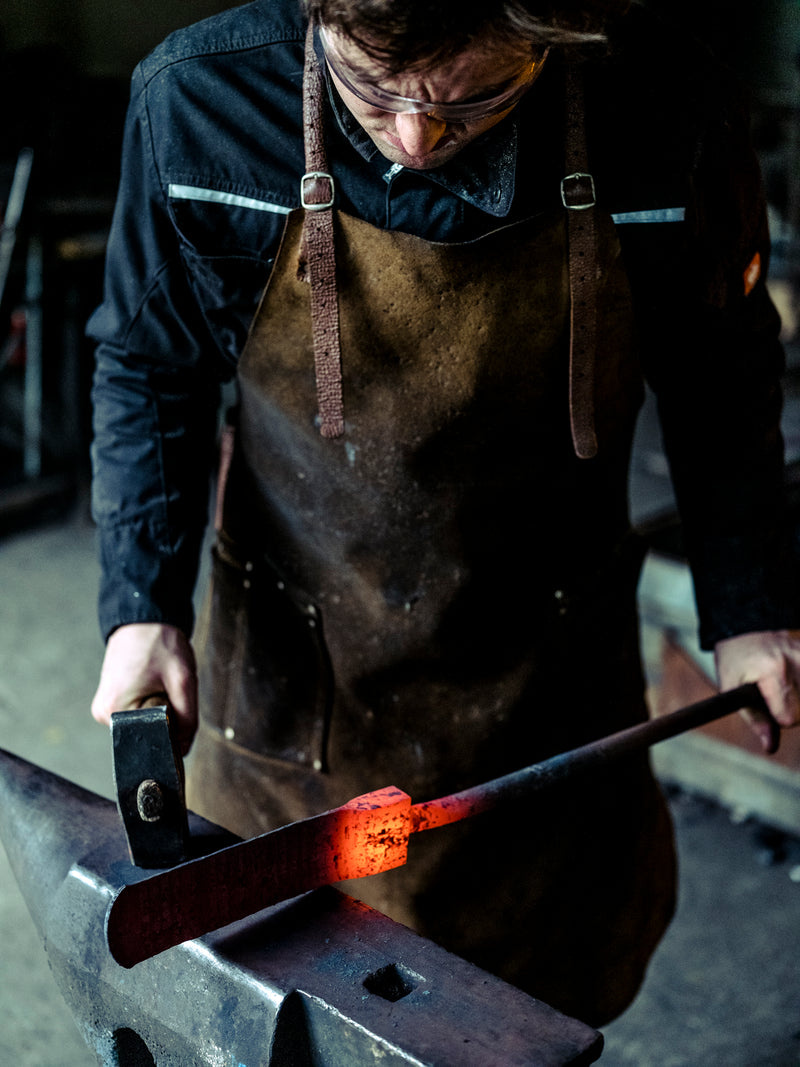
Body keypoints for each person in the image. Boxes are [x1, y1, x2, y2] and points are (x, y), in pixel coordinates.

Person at [88, 0, 800, 1026]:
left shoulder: (665, 105)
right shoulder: (202, 104)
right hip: (302, 678)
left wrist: (745, 603)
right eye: (371, 91)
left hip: (552, 681)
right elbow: (150, 366)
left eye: (477, 96)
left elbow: (718, 372)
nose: (416, 141)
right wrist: (139, 605)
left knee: (527, 1013)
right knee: (294, 1008)